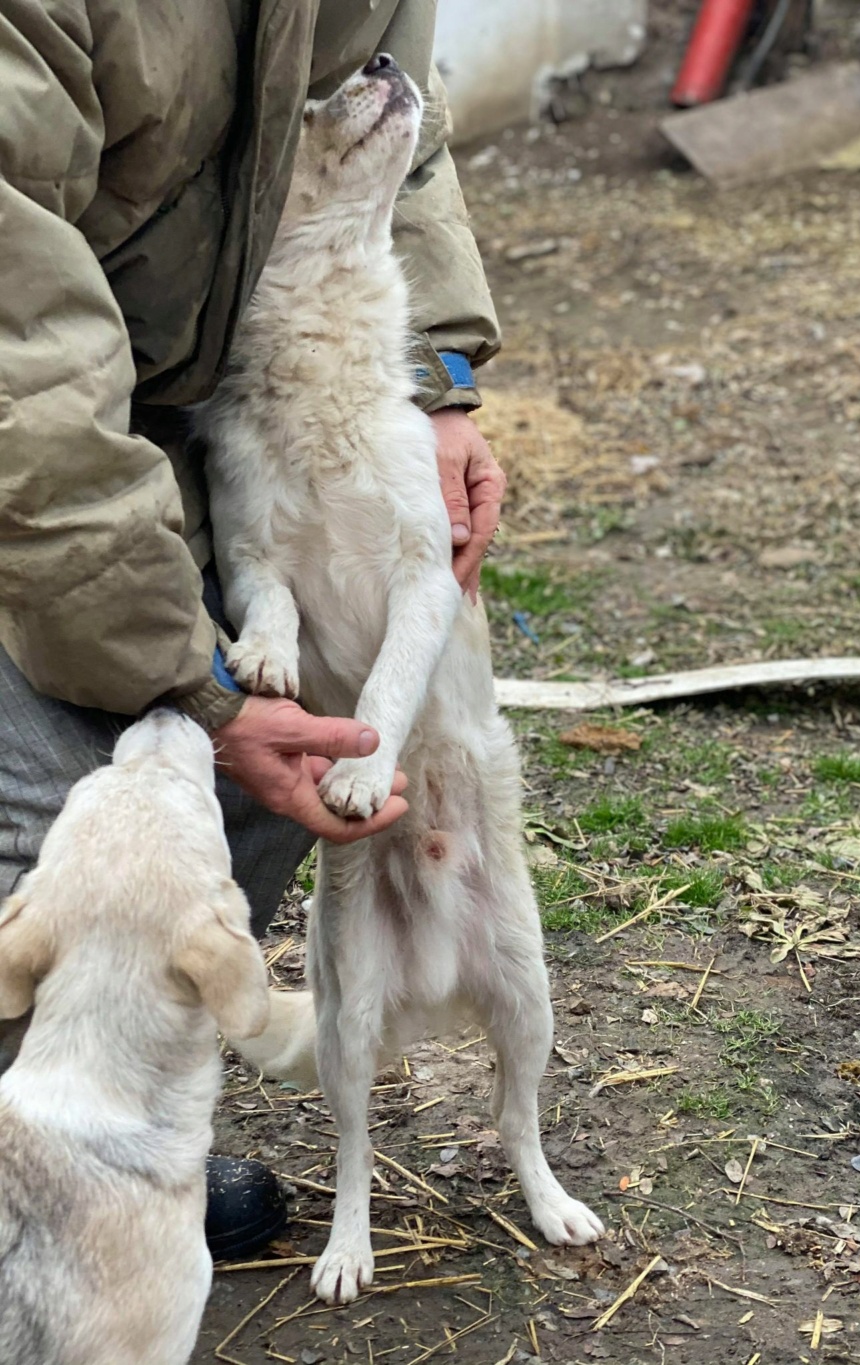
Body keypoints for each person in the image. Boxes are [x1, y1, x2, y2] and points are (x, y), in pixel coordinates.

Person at [0, 0, 504, 1257]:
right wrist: (189, 688)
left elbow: (396, 126)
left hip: (191, 387)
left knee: (256, 777)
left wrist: (436, 376)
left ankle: (117, 1141)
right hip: (37, 422)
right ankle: (44, 1205)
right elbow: (24, 367)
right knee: (51, 809)